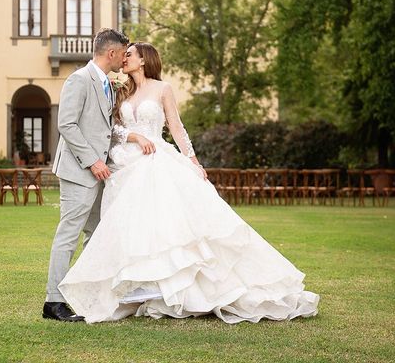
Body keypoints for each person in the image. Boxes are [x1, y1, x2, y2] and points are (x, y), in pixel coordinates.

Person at [58, 42, 320, 324]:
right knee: (134, 227)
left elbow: (176, 127)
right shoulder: (121, 90)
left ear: (144, 60)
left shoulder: (163, 89)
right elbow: (112, 128)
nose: (125, 58)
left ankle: (172, 289)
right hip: (125, 165)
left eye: (130, 54)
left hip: (157, 160)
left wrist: (193, 161)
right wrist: (134, 137)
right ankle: (138, 288)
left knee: (165, 226)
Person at [43, 28, 129, 322]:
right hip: (80, 172)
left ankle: (89, 297)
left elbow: (103, 129)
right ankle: (53, 302)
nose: (124, 59)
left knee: (96, 235)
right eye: (122, 53)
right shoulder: (79, 79)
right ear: (111, 53)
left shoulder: (107, 84)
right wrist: (93, 161)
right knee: (68, 235)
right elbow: (66, 125)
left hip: (99, 174)